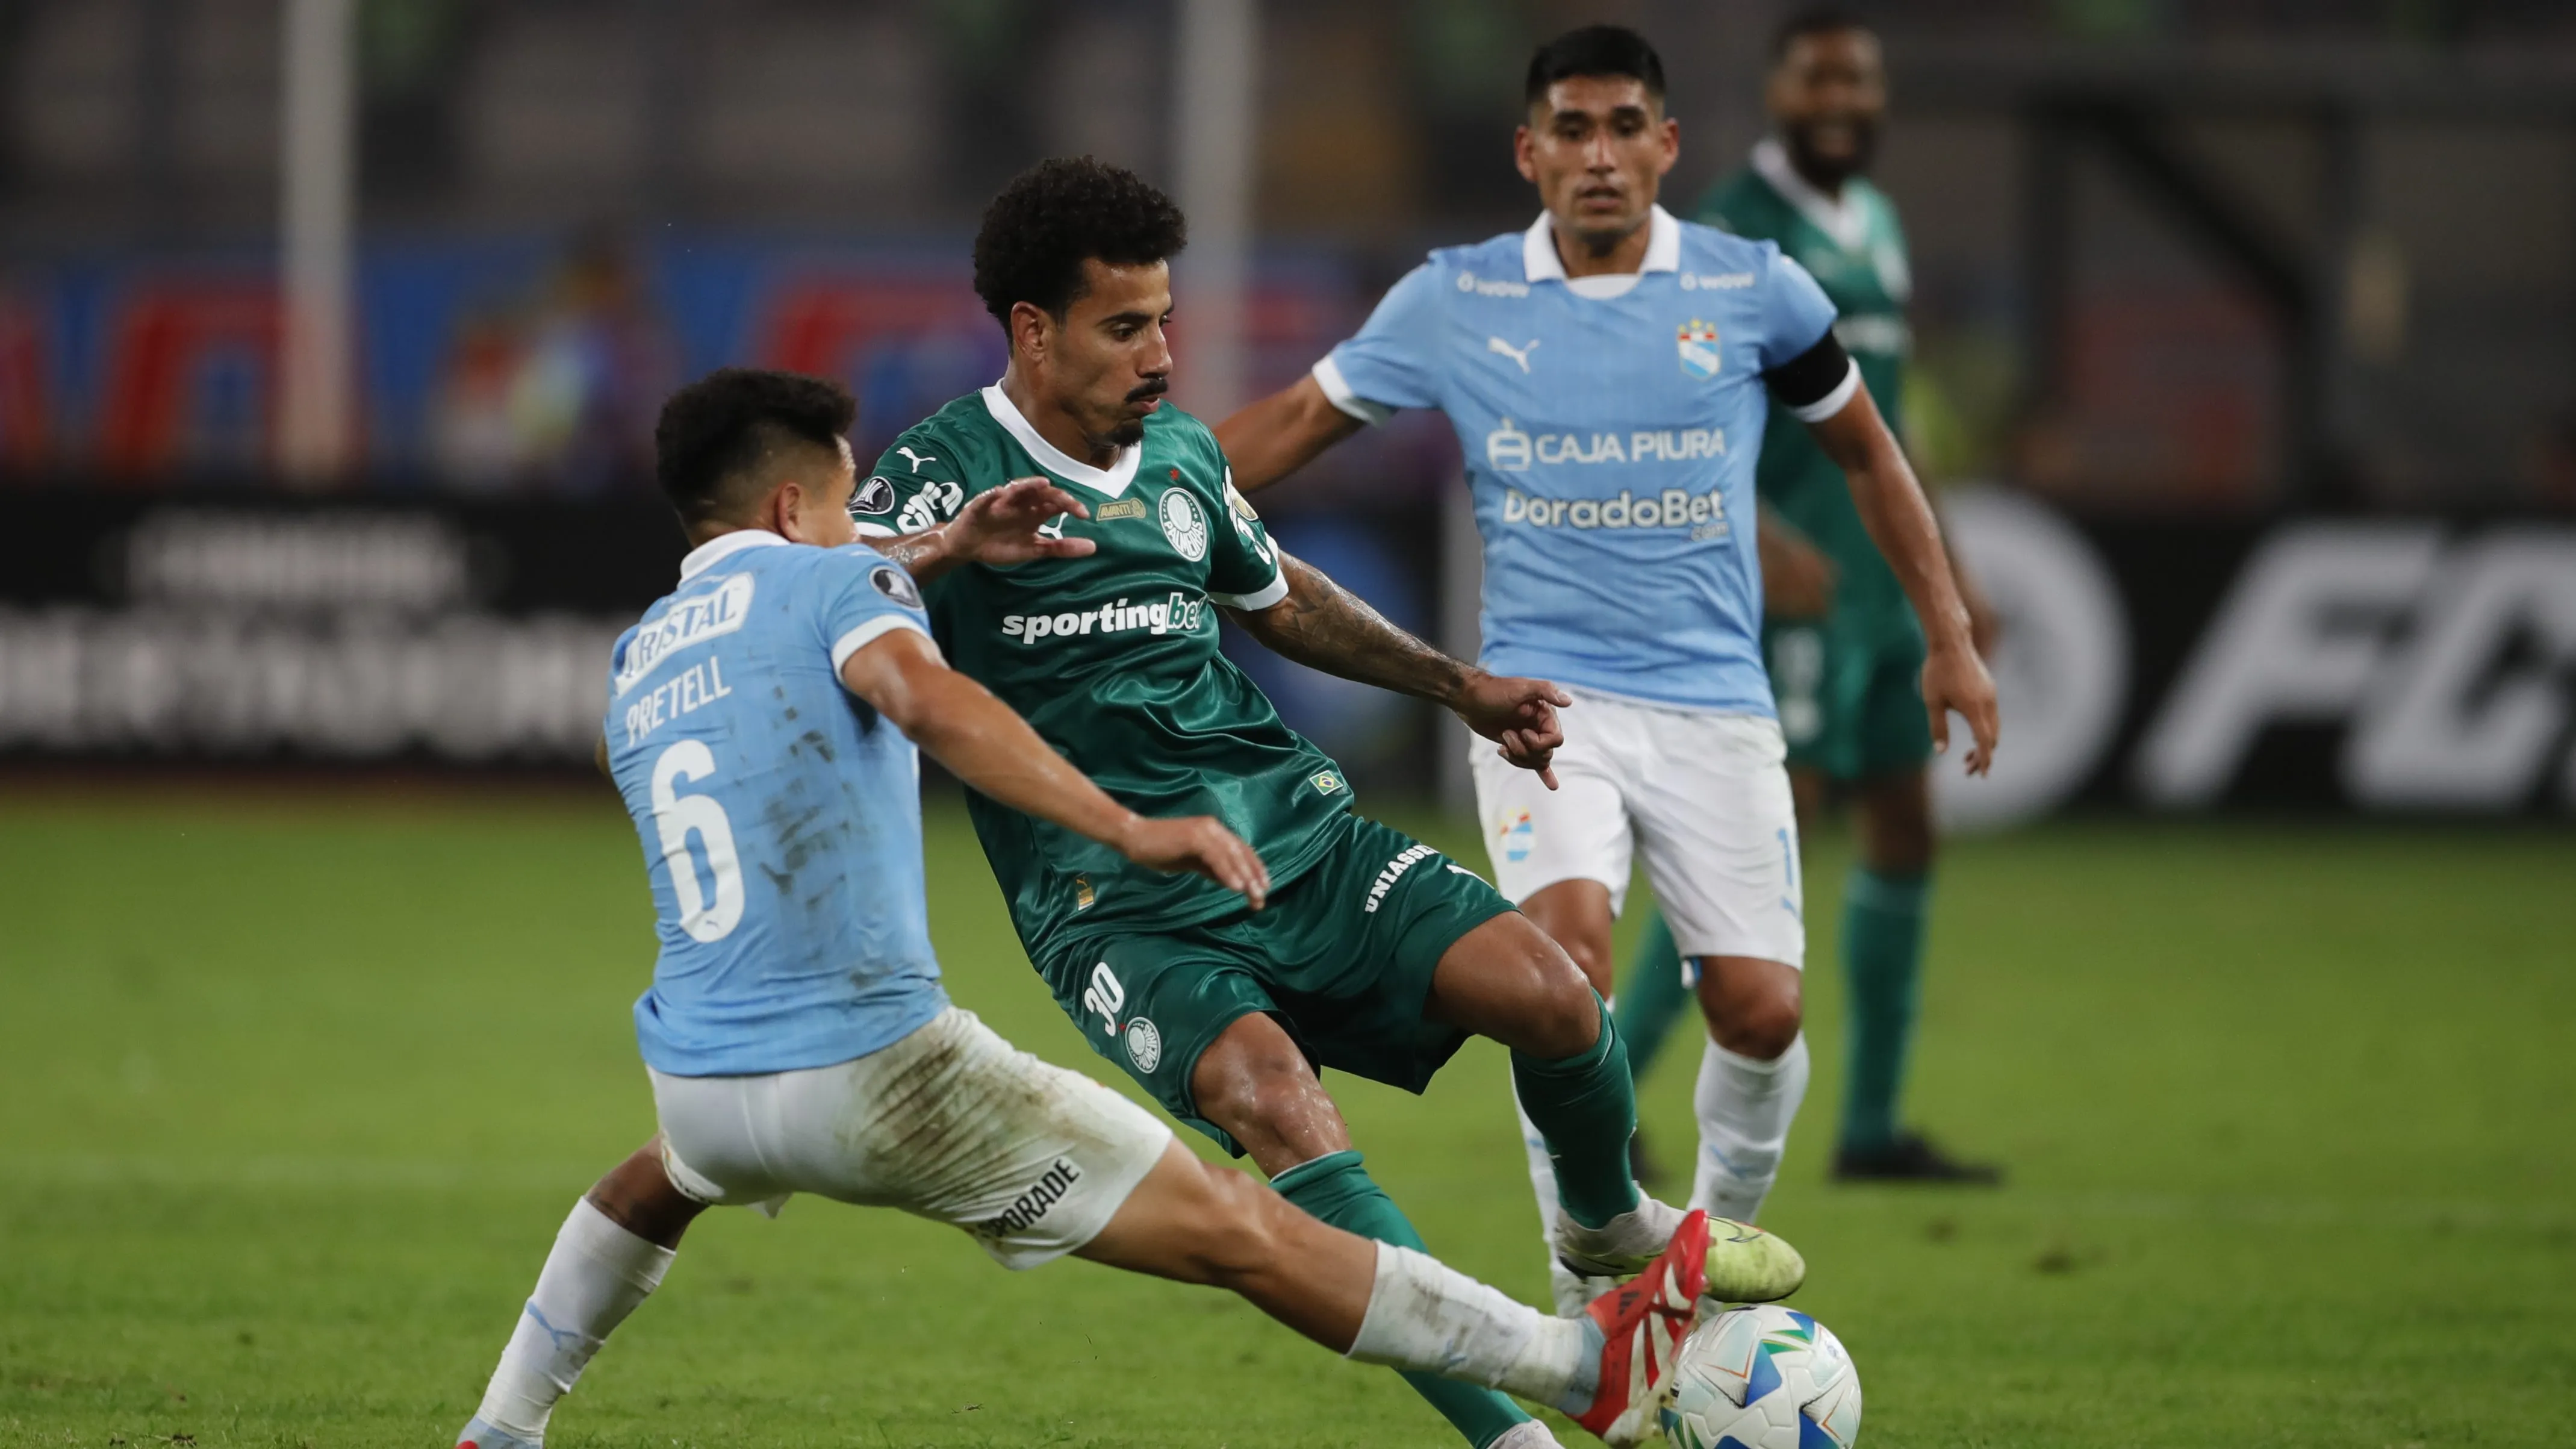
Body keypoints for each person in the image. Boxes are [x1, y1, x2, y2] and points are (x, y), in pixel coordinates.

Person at [450, 368, 1722, 1449]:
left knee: (658, 1183)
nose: (868, 529)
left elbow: (814, 608)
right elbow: (928, 698)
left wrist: (937, 548)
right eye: (848, 505)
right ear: (797, 507)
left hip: (705, 1089)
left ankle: (499, 1428)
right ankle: (1585, 1374)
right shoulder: (838, 588)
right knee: (1246, 1233)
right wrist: (1126, 824)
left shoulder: (644, 654)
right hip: (880, 1076)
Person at [852, 157, 1803, 1449]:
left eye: (1165, 321)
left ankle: (1603, 1230)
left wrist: (1457, 685)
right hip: (1124, 909)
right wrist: (947, 547)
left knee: (1555, 998)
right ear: (1033, 330)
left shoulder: (1179, 454)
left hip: (1297, 840)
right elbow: (814, 601)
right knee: (1280, 1106)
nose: (1163, 355)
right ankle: (1521, 1431)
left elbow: (1279, 596)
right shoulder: (937, 473)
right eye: (1125, 327)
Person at [1215, 25, 1999, 1314]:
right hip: (1543, 705)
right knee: (1562, 976)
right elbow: (1294, 425)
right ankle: (1589, 1293)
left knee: (1759, 1014)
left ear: (1666, 146)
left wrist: (1951, 633)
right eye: (1571, 131)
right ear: (1529, 154)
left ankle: (1692, 1280)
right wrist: (1133, 498)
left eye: (1625, 126)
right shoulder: (1456, 300)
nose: (1599, 156)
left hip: (1715, 706)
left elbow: (1868, 451)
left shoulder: (1756, 289)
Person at [1613, 7, 2005, 1187]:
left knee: (1903, 823)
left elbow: (1883, 420)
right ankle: (1600, 1086)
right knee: (1746, 852)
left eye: (1859, 78)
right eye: (1818, 76)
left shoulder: (1875, 221)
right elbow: (1668, 408)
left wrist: (1952, 583)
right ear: (1779, 93)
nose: (1840, 95)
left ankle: (1873, 1131)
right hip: (1778, 593)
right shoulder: (1733, 227)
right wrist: (1758, 529)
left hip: (1878, 594)